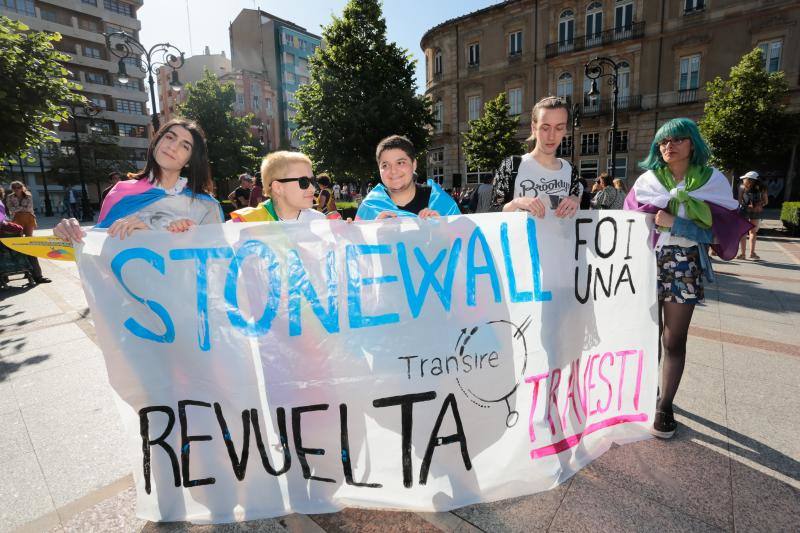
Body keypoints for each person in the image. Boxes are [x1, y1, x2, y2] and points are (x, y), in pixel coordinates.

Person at [624, 117, 751, 439]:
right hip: (647, 262)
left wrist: (674, 223)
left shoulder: (713, 181)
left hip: (684, 262)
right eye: (663, 142)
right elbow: (625, 223)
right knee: (646, 335)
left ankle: (665, 406)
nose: (669, 146)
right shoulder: (648, 181)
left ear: (692, 143)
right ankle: (645, 395)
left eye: (677, 139)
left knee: (673, 339)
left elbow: (717, 233)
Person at [53, 118, 222, 243]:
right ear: (157, 141)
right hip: (130, 290)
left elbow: (219, 263)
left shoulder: (206, 205)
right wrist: (71, 235)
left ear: (189, 161)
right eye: (170, 137)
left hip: (187, 290)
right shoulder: (121, 193)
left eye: (185, 146)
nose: (173, 147)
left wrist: (171, 230)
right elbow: (101, 252)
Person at [492, 96, 580, 218]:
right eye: (545, 128)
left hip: (561, 237)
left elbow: (576, 212)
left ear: (565, 130)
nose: (551, 136)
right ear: (534, 128)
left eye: (559, 128)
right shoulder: (511, 165)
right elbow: (492, 211)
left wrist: (576, 200)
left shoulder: (570, 170)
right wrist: (516, 203)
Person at [356, 135, 460, 220]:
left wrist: (443, 229)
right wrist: (371, 233)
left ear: (414, 164)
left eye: (400, 163)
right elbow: (354, 244)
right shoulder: (370, 208)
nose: (393, 171)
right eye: (385, 165)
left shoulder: (440, 202)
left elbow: (465, 240)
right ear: (379, 170)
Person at [230, 151, 325, 222]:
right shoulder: (247, 224)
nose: (313, 188)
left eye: (312, 181)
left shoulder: (319, 221)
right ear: (278, 187)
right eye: (304, 182)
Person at [3, 183, 51, 283]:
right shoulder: (10, 197)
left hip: (28, 219)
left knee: (29, 243)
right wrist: (21, 208)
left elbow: (29, 208)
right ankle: (34, 274)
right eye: (14, 188)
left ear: (22, 187)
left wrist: (18, 209)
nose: (17, 189)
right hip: (15, 221)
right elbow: (11, 209)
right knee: (22, 245)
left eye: (19, 187)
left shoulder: (28, 195)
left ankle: (35, 274)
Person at [737, 171, 768, 260]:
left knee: (743, 232)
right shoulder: (762, 188)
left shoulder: (742, 187)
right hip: (756, 211)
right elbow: (766, 202)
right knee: (753, 232)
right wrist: (759, 205)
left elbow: (739, 201)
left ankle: (742, 254)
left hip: (744, 210)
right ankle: (752, 253)